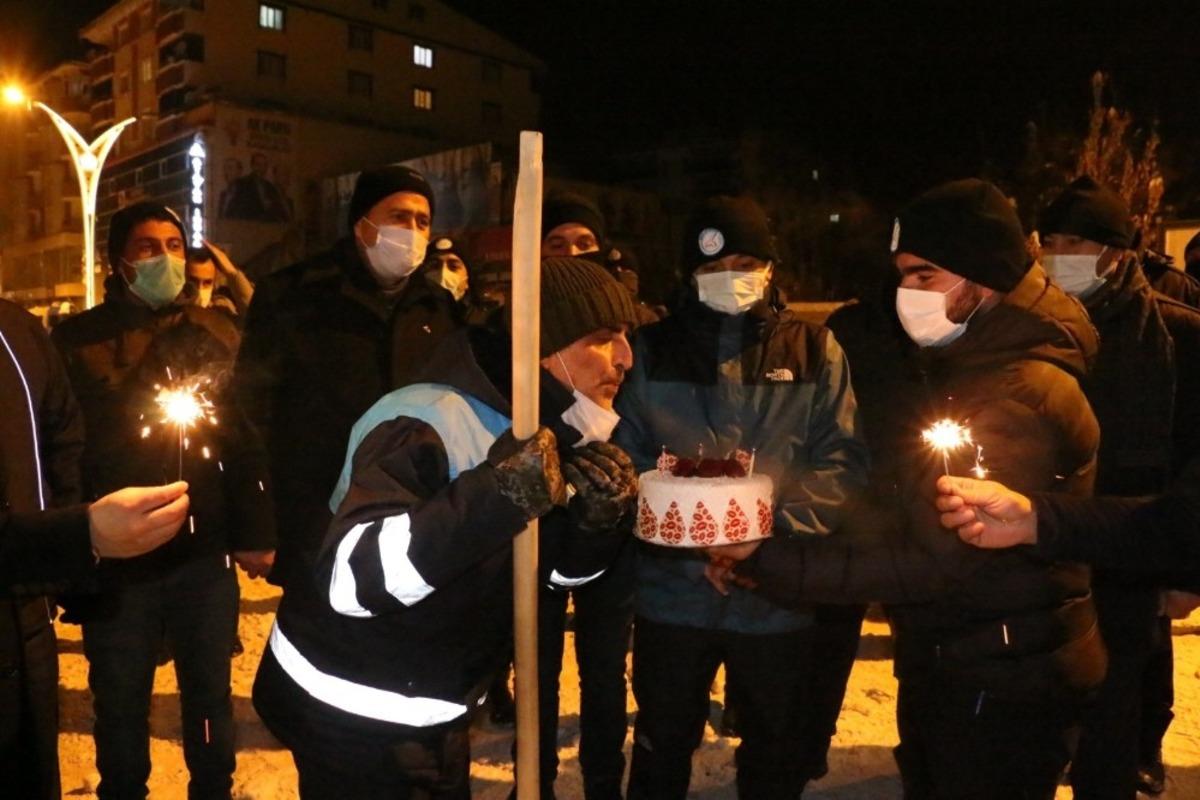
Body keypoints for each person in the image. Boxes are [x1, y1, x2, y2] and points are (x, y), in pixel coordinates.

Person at [708, 179, 1106, 800]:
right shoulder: (974, 361)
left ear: (984, 275)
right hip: (969, 655)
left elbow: (933, 559)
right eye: (901, 277)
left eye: (924, 276)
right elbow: (912, 515)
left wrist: (769, 560)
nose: (906, 295)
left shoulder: (1017, 392)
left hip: (1003, 677)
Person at [252, 257, 642, 798]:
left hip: (436, 712)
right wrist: (493, 497)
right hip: (351, 719)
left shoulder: (551, 435)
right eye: (603, 338)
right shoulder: (425, 418)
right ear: (542, 347)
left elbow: (547, 582)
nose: (625, 357)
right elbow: (354, 577)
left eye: (626, 337)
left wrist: (595, 530)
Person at [617, 195, 870, 799]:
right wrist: (699, 540)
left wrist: (767, 540)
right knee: (661, 745)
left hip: (777, 595)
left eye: (744, 261)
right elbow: (627, 457)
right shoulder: (649, 351)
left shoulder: (814, 349)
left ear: (771, 267)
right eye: (711, 266)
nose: (729, 277)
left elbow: (842, 461)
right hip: (672, 596)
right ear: (687, 274)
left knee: (774, 754)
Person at [51, 201, 277, 800]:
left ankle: (214, 790)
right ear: (118, 261)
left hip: (202, 554)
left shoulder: (216, 333)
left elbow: (246, 439)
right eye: (148, 248)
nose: (165, 259)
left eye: (175, 246)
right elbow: (61, 450)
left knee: (207, 696)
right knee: (119, 698)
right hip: (116, 557)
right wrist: (69, 549)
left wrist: (257, 530)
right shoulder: (76, 340)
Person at [1039, 175, 1200, 797]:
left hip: (1131, 555)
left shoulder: (1178, 335)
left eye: (1074, 241)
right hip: (1042, 543)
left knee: (1113, 714)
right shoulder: (1034, 325)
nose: (1057, 255)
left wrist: (1185, 569)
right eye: (1048, 240)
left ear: (1118, 251)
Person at [233, 165, 460, 589]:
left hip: (412, 519)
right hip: (316, 521)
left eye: (422, 221)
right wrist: (256, 524)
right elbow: (249, 414)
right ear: (362, 225)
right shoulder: (294, 297)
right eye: (398, 216)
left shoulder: (438, 310)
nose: (412, 230)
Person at [186, 241, 255, 318]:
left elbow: (257, 317)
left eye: (207, 283)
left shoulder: (222, 311)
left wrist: (232, 273)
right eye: (193, 281)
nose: (199, 288)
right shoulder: (173, 314)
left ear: (214, 284)